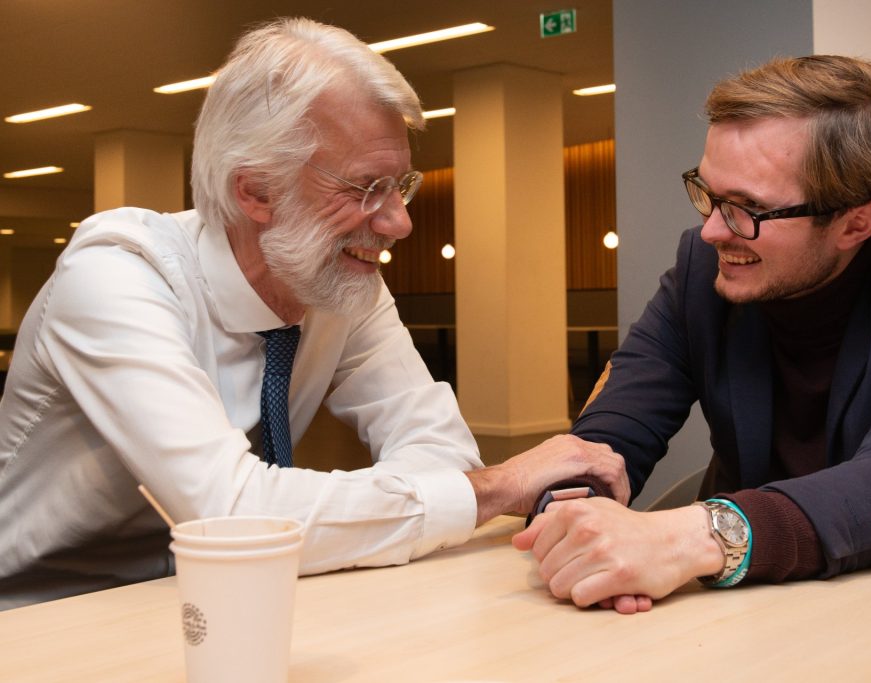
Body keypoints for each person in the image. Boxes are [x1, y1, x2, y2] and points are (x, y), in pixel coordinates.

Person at [0, 18, 627, 610]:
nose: (400, 223)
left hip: (216, 603)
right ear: (256, 191)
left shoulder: (337, 281)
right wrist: (496, 487)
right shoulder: (117, 273)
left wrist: (354, 514)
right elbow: (232, 514)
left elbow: (438, 451)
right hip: (43, 611)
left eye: (400, 186)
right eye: (364, 189)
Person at [513, 55, 871, 614]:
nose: (710, 230)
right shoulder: (700, 275)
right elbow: (609, 434)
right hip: (755, 605)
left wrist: (694, 539)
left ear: (857, 223)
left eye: (749, 207)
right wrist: (578, 515)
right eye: (707, 194)